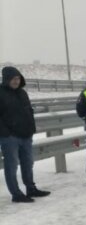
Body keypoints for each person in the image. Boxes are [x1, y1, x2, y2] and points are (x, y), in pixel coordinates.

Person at [0, 67, 50, 203]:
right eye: (13, 79)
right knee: (12, 165)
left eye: (18, 79)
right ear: (6, 79)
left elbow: (29, 111)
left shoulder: (22, 93)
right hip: (9, 138)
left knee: (28, 163)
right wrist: (6, 133)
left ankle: (31, 188)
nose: (16, 81)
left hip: (26, 135)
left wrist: (31, 128)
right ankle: (16, 194)